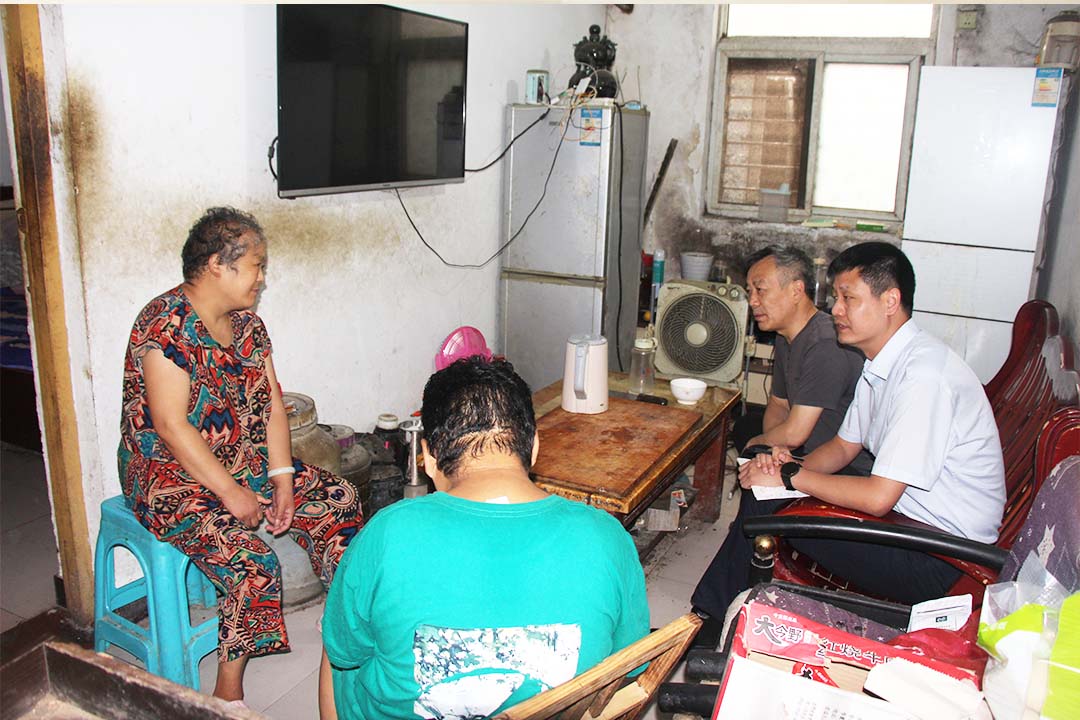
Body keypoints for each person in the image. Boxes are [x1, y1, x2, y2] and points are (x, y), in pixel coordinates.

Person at [118, 207, 362, 705]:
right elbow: (170, 426)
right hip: (168, 476)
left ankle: (344, 622)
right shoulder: (165, 326)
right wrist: (230, 492)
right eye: (256, 265)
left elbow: (271, 402)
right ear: (217, 265)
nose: (262, 278)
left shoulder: (248, 326)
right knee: (252, 563)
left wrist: (283, 479)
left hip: (240, 461)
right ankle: (227, 697)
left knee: (338, 500)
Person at [320, 357, 650, 720]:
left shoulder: (385, 533)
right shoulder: (606, 536)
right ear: (534, 447)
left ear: (428, 457)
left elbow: (344, 653)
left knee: (336, 640)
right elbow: (628, 665)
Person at [694, 241, 1006, 621]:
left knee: (766, 504)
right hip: (909, 527)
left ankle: (708, 621)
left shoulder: (923, 378)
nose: (836, 310)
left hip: (937, 558)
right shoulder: (882, 364)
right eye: (836, 298)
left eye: (848, 298)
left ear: (890, 301)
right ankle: (716, 615)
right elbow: (843, 447)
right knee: (767, 490)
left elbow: (878, 498)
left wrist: (790, 476)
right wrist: (786, 464)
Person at [691, 245, 870, 622]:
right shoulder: (789, 338)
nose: (753, 301)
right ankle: (745, 545)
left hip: (844, 467)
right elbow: (778, 405)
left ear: (796, 290)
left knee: (757, 465)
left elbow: (796, 432)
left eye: (761, 289)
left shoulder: (824, 343)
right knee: (749, 430)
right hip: (810, 448)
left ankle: (711, 611)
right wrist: (764, 450)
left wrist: (760, 451)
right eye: (749, 291)